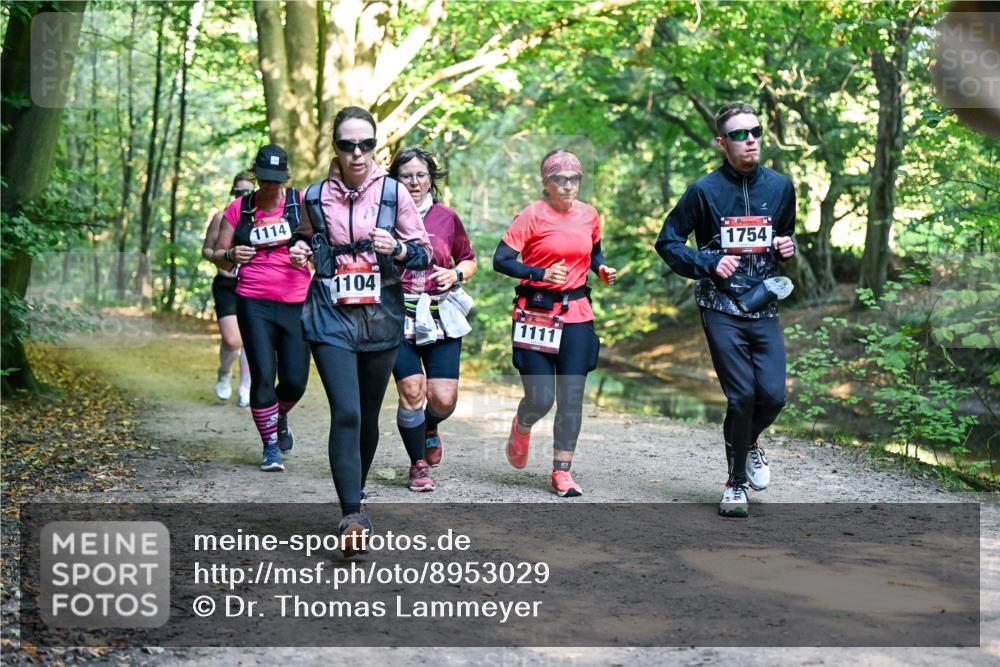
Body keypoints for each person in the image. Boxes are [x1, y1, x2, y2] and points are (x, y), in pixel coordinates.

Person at [288, 107, 431, 551]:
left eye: (365, 144)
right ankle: (352, 515)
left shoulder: (393, 193)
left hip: (382, 315)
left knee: (368, 415)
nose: (357, 153)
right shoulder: (313, 195)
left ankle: (358, 492)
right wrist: (299, 250)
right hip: (330, 314)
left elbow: (425, 252)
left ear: (375, 146)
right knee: (346, 412)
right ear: (335, 146)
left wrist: (402, 248)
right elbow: (305, 236)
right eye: (348, 144)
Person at [655, 102, 796, 518]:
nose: (750, 139)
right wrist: (708, 262)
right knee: (742, 397)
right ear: (722, 143)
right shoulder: (704, 191)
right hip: (720, 305)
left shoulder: (781, 187)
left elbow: (781, 237)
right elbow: (669, 243)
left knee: (773, 396)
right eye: (739, 134)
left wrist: (786, 247)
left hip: (763, 304)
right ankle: (735, 485)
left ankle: (749, 443)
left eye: (755, 131)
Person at [492, 149, 617, 498]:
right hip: (536, 313)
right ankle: (524, 422)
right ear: (546, 183)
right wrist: (540, 273)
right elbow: (500, 261)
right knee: (541, 396)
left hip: (577, 314)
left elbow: (595, 252)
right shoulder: (531, 216)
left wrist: (601, 268)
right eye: (559, 180)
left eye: (573, 179)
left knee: (572, 396)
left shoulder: (590, 215)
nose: (567, 186)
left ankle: (562, 472)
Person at [212, 144, 311, 473]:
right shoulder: (240, 208)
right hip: (253, 301)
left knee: (295, 381)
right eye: (265, 179)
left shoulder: (299, 203)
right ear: (257, 175)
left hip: (296, 301)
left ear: (286, 177)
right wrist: (230, 256)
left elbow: (318, 241)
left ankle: (278, 415)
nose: (271, 186)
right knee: (264, 375)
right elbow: (217, 252)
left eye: (277, 180)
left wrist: (304, 251)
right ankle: (270, 447)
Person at [387, 147, 477, 492]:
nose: (413, 182)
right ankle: (418, 464)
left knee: (442, 399)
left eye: (420, 175)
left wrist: (455, 274)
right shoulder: (383, 216)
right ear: (395, 179)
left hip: (440, 314)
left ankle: (429, 427)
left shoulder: (446, 217)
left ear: (431, 179)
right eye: (406, 175)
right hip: (396, 314)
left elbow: (469, 260)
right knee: (412, 390)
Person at [202, 171, 254, 407]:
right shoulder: (221, 217)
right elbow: (207, 251)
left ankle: (245, 387)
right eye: (239, 191)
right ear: (232, 191)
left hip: (253, 282)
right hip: (226, 283)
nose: (243, 195)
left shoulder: (261, 219)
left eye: (248, 191)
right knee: (233, 340)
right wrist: (227, 257)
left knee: (253, 339)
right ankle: (224, 372)